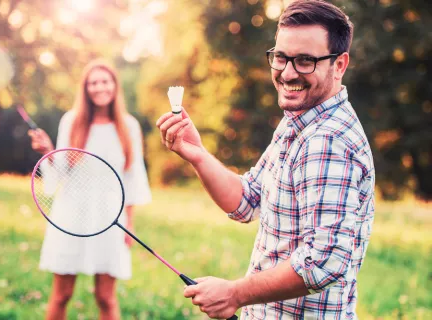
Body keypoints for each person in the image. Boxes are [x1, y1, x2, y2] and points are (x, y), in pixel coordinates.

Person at [156, 0, 375, 319]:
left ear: (339, 64)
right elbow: (248, 200)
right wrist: (197, 153)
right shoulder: (298, 120)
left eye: (304, 61)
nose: (287, 73)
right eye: (281, 57)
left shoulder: (327, 140)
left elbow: (323, 263)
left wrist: (234, 293)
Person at [28, 59, 151, 320]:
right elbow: (59, 171)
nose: (99, 88)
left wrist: (130, 223)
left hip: (110, 219)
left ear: (114, 86)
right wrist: (47, 152)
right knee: (61, 295)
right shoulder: (72, 121)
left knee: (106, 297)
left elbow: (132, 177)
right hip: (70, 215)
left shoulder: (128, 126)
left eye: (104, 81)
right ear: (85, 89)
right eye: (93, 83)